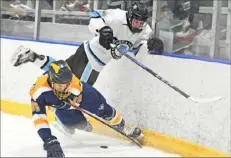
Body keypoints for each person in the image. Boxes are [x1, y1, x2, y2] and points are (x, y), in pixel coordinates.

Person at [11, 1, 164, 86]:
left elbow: (139, 48)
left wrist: (152, 47)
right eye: (136, 21)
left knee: (61, 72)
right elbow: (95, 15)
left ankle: (32, 56)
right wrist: (102, 29)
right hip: (92, 59)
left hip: (89, 55)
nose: (138, 25)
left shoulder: (145, 31)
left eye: (141, 22)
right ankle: (62, 118)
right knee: (76, 88)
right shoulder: (118, 16)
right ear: (130, 16)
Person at [31, 60, 143, 157]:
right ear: (51, 80)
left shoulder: (73, 82)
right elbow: (39, 117)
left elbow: (77, 97)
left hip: (79, 96)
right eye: (59, 85)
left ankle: (123, 127)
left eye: (66, 84)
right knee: (80, 125)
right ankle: (66, 122)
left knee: (104, 110)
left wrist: (69, 101)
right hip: (60, 106)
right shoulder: (38, 91)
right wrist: (48, 140)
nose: (63, 87)